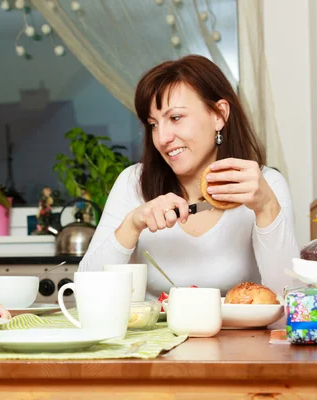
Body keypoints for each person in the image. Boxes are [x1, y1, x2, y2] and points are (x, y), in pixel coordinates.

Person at [78, 55, 299, 299]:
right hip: (154, 337)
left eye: (175, 118)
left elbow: (291, 301)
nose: (162, 139)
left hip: (241, 338)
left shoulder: (265, 184)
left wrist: (266, 206)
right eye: (153, 124)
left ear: (219, 115)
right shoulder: (133, 182)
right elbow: (85, 294)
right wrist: (132, 224)